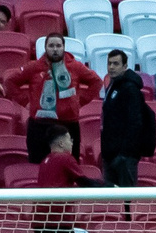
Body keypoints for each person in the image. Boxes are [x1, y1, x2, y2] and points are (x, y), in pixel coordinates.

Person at [9, 33, 96, 163]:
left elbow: (96, 82)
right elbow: (10, 82)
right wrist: (25, 102)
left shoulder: (76, 67)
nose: (55, 49)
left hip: (68, 125)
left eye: (58, 46)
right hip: (40, 125)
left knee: (68, 167)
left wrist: (79, 102)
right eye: (51, 46)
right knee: (39, 166)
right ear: (45, 48)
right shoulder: (33, 67)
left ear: (64, 47)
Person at [98, 48, 155, 187]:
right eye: (109, 63)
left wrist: (125, 154)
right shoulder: (113, 85)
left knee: (126, 199)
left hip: (124, 157)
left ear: (125, 66)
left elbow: (135, 123)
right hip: (110, 154)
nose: (111, 67)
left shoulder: (130, 89)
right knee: (111, 201)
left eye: (116, 64)